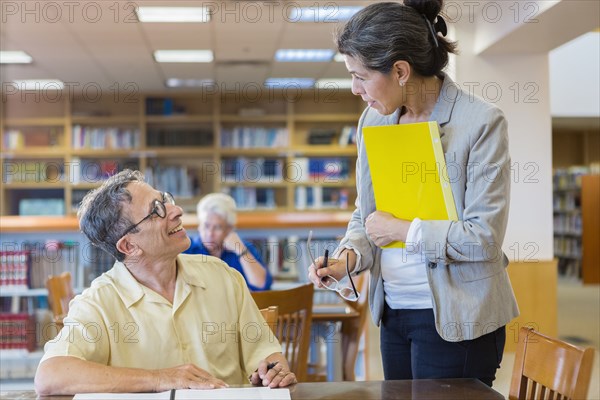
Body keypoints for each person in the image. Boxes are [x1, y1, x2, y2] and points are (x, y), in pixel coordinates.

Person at [308, 0, 519, 387]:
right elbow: (367, 213)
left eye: (360, 76)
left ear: (400, 71)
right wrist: (348, 258)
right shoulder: (374, 119)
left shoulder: (481, 123)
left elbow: (484, 239)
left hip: (457, 318)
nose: (355, 90)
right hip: (394, 313)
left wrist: (405, 231)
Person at [34, 170, 295, 395]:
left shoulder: (224, 277)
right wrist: (162, 378)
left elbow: (266, 353)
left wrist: (273, 369)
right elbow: (50, 375)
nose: (177, 210)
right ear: (129, 245)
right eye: (157, 210)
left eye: (165, 200)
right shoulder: (99, 302)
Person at [184, 193, 272, 291]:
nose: (210, 233)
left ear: (229, 229)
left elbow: (262, 285)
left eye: (217, 227)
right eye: (206, 226)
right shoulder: (187, 248)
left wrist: (240, 250)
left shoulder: (242, 248)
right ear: (199, 226)